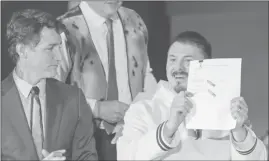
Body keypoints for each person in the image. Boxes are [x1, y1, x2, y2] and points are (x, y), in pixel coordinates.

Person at [117, 31, 267, 160]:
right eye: (173, 59)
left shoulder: (228, 111)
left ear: (207, 65)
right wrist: (168, 128)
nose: (178, 68)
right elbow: (125, 157)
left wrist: (239, 130)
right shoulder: (143, 110)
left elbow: (259, 158)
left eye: (188, 61)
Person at [57, 1, 157, 160]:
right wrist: (97, 108)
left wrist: (140, 116)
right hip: (82, 141)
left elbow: (146, 77)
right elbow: (51, 92)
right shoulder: (63, 28)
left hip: (132, 135)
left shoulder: (135, 21)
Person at [1, 9, 98, 160]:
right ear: (23, 50)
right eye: (50, 48)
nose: (59, 57)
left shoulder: (74, 99)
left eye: (60, 48)